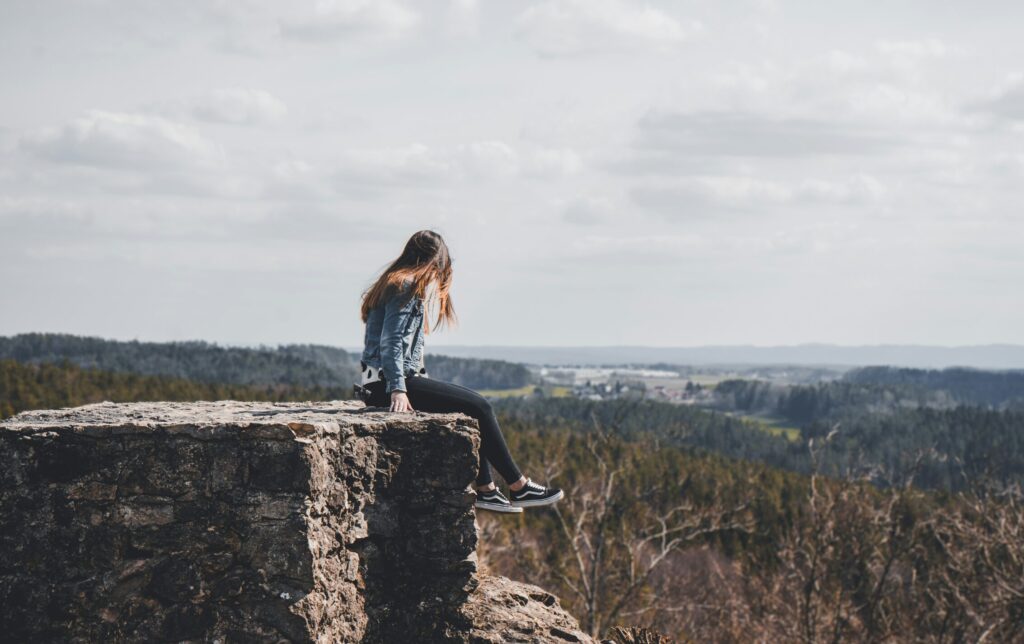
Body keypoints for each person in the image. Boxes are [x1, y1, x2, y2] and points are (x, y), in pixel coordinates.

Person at [356, 230, 563, 514]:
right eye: (440, 268)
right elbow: (390, 342)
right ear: (433, 262)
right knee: (480, 405)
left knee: (467, 408)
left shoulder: (395, 283)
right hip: (386, 384)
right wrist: (398, 388)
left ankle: (487, 490)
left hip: (380, 382)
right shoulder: (404, 285)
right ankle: (519, 485)